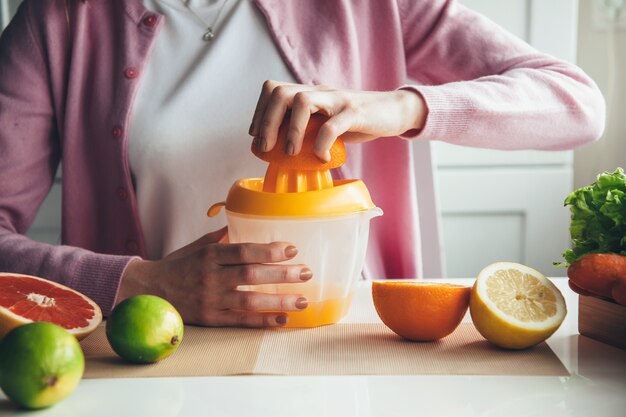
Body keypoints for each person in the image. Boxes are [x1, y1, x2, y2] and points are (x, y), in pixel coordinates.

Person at [0, 0, 605, 327]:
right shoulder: (55, 22)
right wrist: (140, 284)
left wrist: (399, 106)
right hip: (153, 355)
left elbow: (576, 104)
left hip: (352, 346)